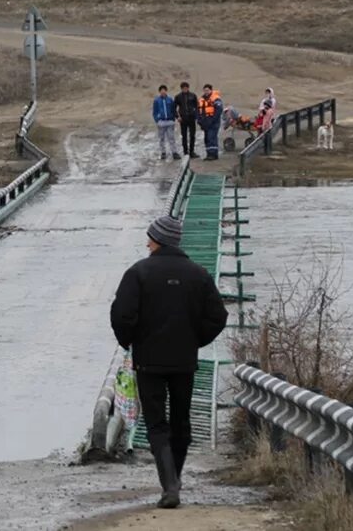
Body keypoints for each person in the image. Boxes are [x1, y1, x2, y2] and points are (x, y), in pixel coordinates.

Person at [110, 216, 229, 509]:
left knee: (156, 423)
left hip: (149, 362)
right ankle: (174, 479)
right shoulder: (198, 274)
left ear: (159, 240)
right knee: (181, 421)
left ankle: (170, 485)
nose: (147, 242)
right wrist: (195, 341)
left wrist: (130, 342)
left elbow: (121, 314)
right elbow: (218, 316)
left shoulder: (138, 273)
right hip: (183, 361)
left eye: (150, 237)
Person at [152, 85, 181, 161]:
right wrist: (157, 120)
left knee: (171, 137)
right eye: (161, 90)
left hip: (169, 121)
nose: (163, 91)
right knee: (161, 138)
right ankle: (163, 152)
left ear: (166, 91)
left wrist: (174, 118)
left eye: (164, 90)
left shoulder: (170, 99)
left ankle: (174, 152)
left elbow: (173, 109)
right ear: (159, 91)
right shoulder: (156, 100)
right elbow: (154, 112)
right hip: (161, 121)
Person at [173, 82, 200, 159]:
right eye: (183, 88)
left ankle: (192, 151)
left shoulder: (193, 95)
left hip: (191, 118)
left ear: (188, 88)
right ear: (181, 89)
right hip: (183, 119)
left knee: (192, 135)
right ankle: (185, 152)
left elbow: (197, 106)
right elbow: (174, 108)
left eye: (186, 88)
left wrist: (196, 115)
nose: (185, 89)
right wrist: (177, 116)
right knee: (184, 136)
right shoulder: (178, 97)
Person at [197, 84, 224, 161]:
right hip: (205, 122)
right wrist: (200, 121)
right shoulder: (201, 100)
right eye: (205, 90)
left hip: (213, 122)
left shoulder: (216, 99)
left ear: (211, 90)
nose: (206, 92)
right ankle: (209, 153)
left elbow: (218, 111)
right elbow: (198, 111)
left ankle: (213, 154)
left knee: (211, 137)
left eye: (207, 90)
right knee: (207, 138)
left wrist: (212, 120)